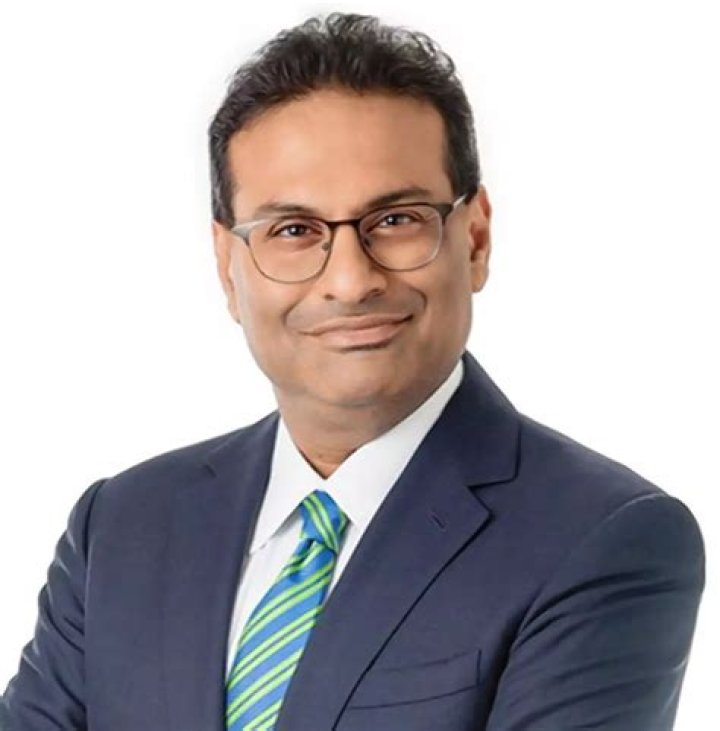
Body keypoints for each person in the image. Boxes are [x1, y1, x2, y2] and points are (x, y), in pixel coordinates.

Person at [0, 11, 705, 731]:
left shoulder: (603, 538)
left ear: (475, 238)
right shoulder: (122, 526)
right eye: (293, 230)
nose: (349, 280)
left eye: (396, 220)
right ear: (227, 265)